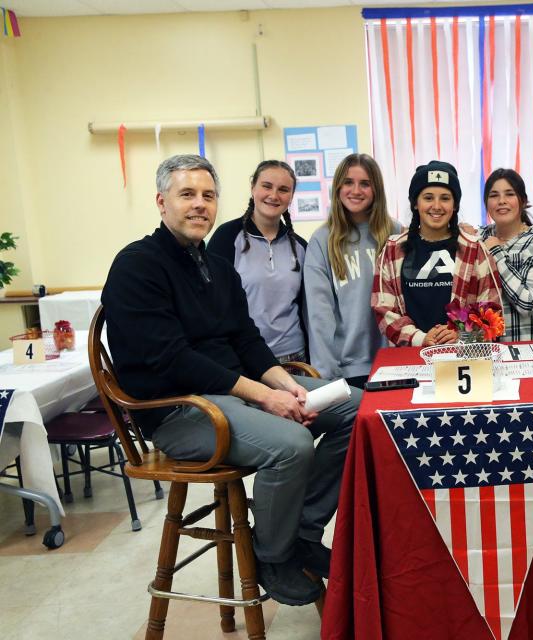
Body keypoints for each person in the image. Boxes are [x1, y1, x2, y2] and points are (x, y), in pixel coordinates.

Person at [102, 155, 362, 607]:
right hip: (181, 410)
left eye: (207, 195)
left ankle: (300, 527)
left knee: (358, 409)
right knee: (292, 445)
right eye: (187, 194)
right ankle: (272, 555)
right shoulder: (136, 266)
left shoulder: (216, 267)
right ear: (162, 202)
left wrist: (286, 385)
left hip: (232, 397)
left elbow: (246, 339)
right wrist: (264, 396)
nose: (199, 205)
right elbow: (174, 359)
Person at [373, 160, 502, 347]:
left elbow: (493, 312)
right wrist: (421, 338)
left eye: (445, 198)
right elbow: (383, 309)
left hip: (462, 361)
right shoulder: (392, 249)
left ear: (455, 205)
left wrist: (460, 335)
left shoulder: (475, 250)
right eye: (428, 197)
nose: (436, 205)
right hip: (410, 361)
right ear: (415, 203)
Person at [304, 154, 400, 387]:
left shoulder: (395, 232)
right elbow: (319, 314)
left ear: (375, 189)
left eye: (365, 184)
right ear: (338, 187)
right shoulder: (322, 240)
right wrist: (327, 375)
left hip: (395, 362)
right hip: (346, 369)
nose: (355, 190)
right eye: (348, 182)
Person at [207, 160, 308, 363]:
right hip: (243, 357)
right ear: (253, 187)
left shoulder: (300, 246)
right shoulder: (226, 237)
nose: (274, 195)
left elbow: (305, 308)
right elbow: (211, 303)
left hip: (294, 357)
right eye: (266, 186)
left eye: (283, 189)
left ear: (291, 197)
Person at [478, 168, 533, 342]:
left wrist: (497, 252)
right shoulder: (479, 238)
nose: (501, 201)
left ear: (523, 200)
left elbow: (527, 303)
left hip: (528, 350)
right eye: (494, 195)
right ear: (486, 203)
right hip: (487, 349)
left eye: (509, 194)